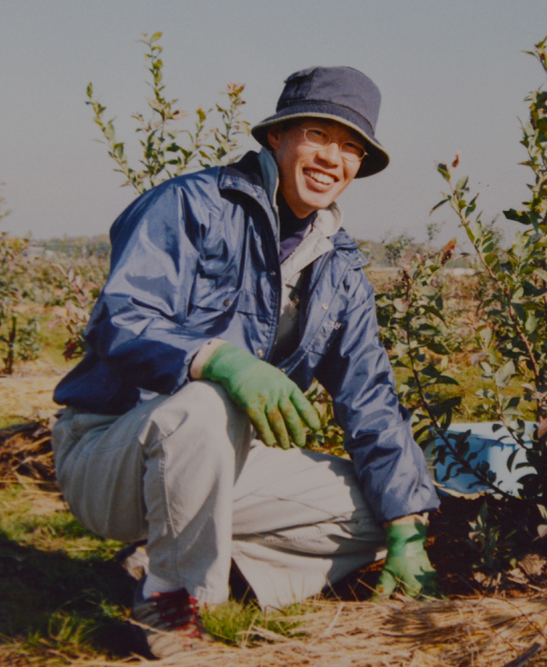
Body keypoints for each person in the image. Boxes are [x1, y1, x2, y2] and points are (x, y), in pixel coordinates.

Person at [51, 66, 442, 658]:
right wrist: (217, 359)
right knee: (209, 400)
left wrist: (408, 527)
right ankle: (173, 609)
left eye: (351, 147)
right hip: (110, 451)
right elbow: (119, 321)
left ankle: (173, 563)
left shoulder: (339, 266)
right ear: (277, 137)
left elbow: (370, 397)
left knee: (376, 509)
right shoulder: (189, 205)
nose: (332, 159)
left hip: (216, 465)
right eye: (318, 135)